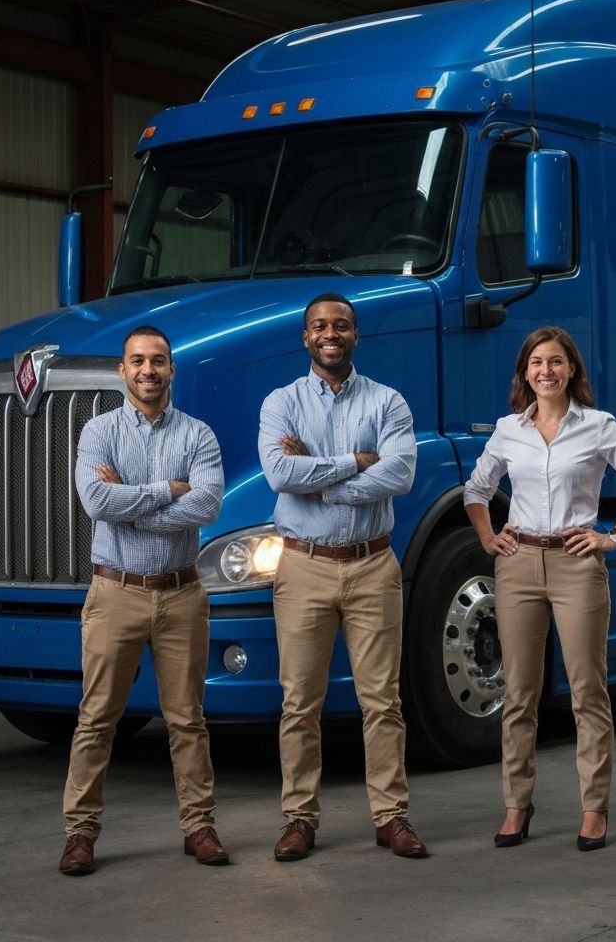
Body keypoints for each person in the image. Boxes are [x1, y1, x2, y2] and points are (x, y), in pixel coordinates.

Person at [464, 326, 616, 851]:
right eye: (536, 363)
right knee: (519, 693)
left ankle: (594, 808)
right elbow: (477, 489)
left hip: (578, 565)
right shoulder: (509, 429)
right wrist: (489, 535)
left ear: (572, 369)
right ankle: (516, 804)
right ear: (525, 373)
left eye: (556, 362)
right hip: (520, 563)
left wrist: (613, 536)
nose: (546, 372)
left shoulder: (598, 426)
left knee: (587, 691)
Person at [258, 292, 427, 860]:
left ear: (356, 335)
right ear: (305, 337)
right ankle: (299, 820)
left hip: (373, 566)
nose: (331, 334)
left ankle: (390, 817)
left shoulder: (388, 402)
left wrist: (319, 476)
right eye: (320, 326)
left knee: (382, 701)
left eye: (342, 325)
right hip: (302, 566)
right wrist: (357, 461)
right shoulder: (280, 403)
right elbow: (280, 471)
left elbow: (400, 473)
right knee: (299, 702)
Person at [59, 326, 227, 875]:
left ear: (172, 369)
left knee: (188, 720)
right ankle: (80, 834)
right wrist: (165, 491)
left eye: (158, 361)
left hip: (181, 596)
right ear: (122, 371)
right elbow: (95, 500)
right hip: (116, 594)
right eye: (137, 361)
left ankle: (199, 828)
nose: (148, 370)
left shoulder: (198, 435)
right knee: (96, 719)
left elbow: (205, 507)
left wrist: (130, 499)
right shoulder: (98, 432)